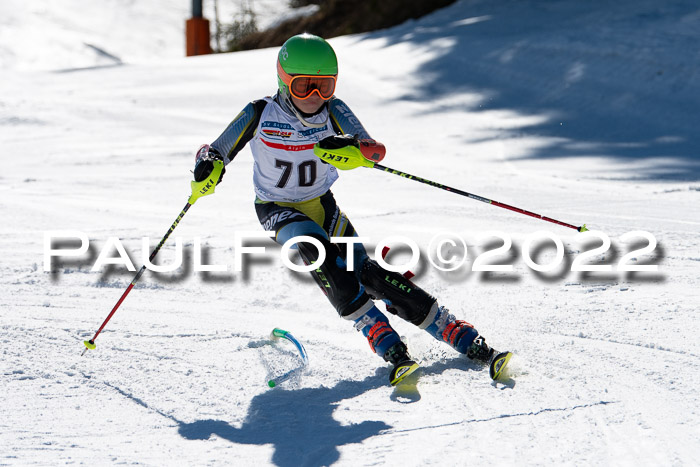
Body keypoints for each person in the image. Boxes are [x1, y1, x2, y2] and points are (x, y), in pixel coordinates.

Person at [194, 33, 509, 386]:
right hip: (277, 207)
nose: (315, 97)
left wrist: (351, 149)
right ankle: (380, 335)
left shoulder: (336, 110)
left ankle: (452, 329)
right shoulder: (259, 113)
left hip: (323, 205)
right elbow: (215, 149)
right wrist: (208, 166)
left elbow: (371, 148)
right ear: (283, 81)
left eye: (324, 86)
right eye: (304, 87)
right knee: (319, 253)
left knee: (369, 274)